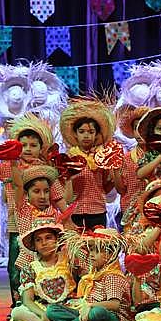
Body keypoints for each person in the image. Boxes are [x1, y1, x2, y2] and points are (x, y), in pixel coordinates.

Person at [0, 113, 56, 314]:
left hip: (41, 222)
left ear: (41, 148)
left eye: (33, 145)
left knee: (42, 263)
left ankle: (41, 301)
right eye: (24, 145)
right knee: (15, 266)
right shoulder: (8, 166)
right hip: (17, 222)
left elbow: (56, 195)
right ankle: (18, 305)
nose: (28, 149)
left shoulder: (46, 168)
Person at [38, 227, 131, 321]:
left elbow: (114, 305)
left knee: (97, 313)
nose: (91, 254)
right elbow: (79, 252)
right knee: (52, 310)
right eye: (91, 250)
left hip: (111, 318)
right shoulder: (94, 271)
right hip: (88, 313)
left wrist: (90, 306)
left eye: (97, 251)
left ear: (111, 254)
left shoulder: (113, 276)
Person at [6, 217, 75, 321]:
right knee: (17, 313)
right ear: (34, 245)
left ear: (57, 239)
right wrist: (42, 314)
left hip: (68, 308)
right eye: (38, 240)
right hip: (44, 308)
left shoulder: (69, 261)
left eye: (48, 238)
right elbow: (27, 300)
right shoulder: (30, 268)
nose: (44, 243)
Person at [59, 97, 117, 229]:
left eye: (91, 132)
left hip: (98, 211)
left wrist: (114, 174)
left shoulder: (102, 157)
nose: (86, 135)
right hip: (76, 211)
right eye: (81, 132)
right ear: (75, 134)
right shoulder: (68, 158)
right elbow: (65, 193)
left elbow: (106, 186)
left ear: (96, 135)